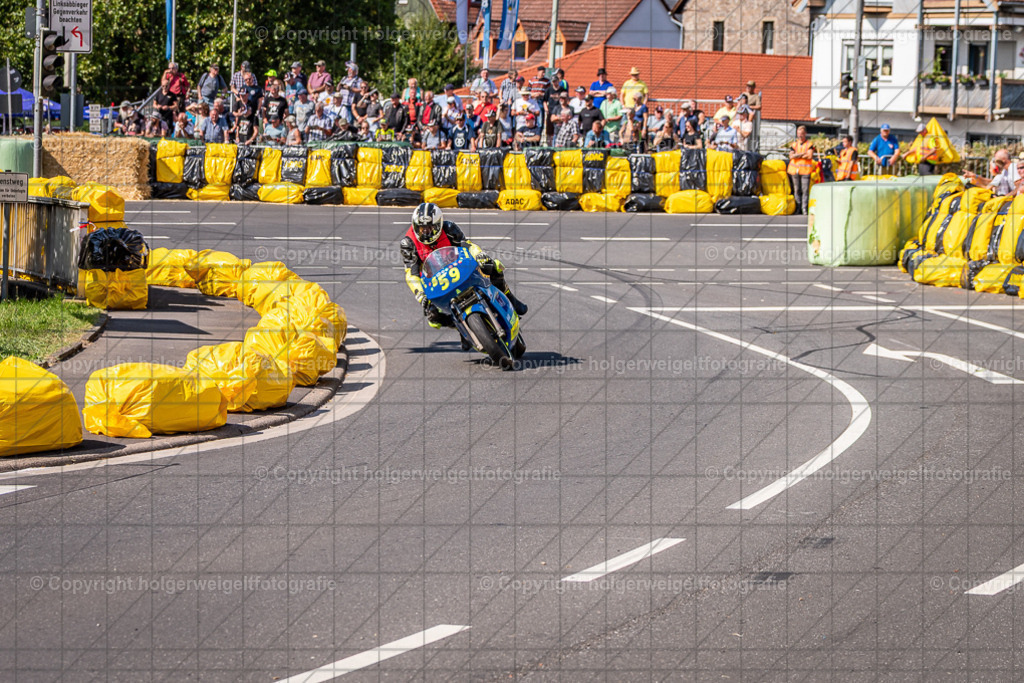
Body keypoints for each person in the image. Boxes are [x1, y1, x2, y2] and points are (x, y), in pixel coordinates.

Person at [401, 203, 528, 333]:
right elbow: (411, 273)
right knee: (433, 317)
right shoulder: (408, 243)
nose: (426, 232)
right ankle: (464, 330)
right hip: (434, 280)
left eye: (430, 228)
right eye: (421, 229)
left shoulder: (449, 228)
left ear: (439, 224)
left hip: (458, 266)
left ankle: (510, 299)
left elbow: (468, 245)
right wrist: (420, 294)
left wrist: (479, 255)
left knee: (492, 265)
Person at [788, 125, 815, 215]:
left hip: (805, 171)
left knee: (805, 191)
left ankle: (804, 209)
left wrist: (796, 155)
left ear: (805, 134)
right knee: (796, 190)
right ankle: (798, 208)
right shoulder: (794, 145)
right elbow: (791, 156)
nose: (800, 136)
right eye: (798, 134)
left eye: (802, 134)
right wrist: (802, 154)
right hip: (794, 171)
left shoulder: (809, 145)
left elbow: (809, 156)